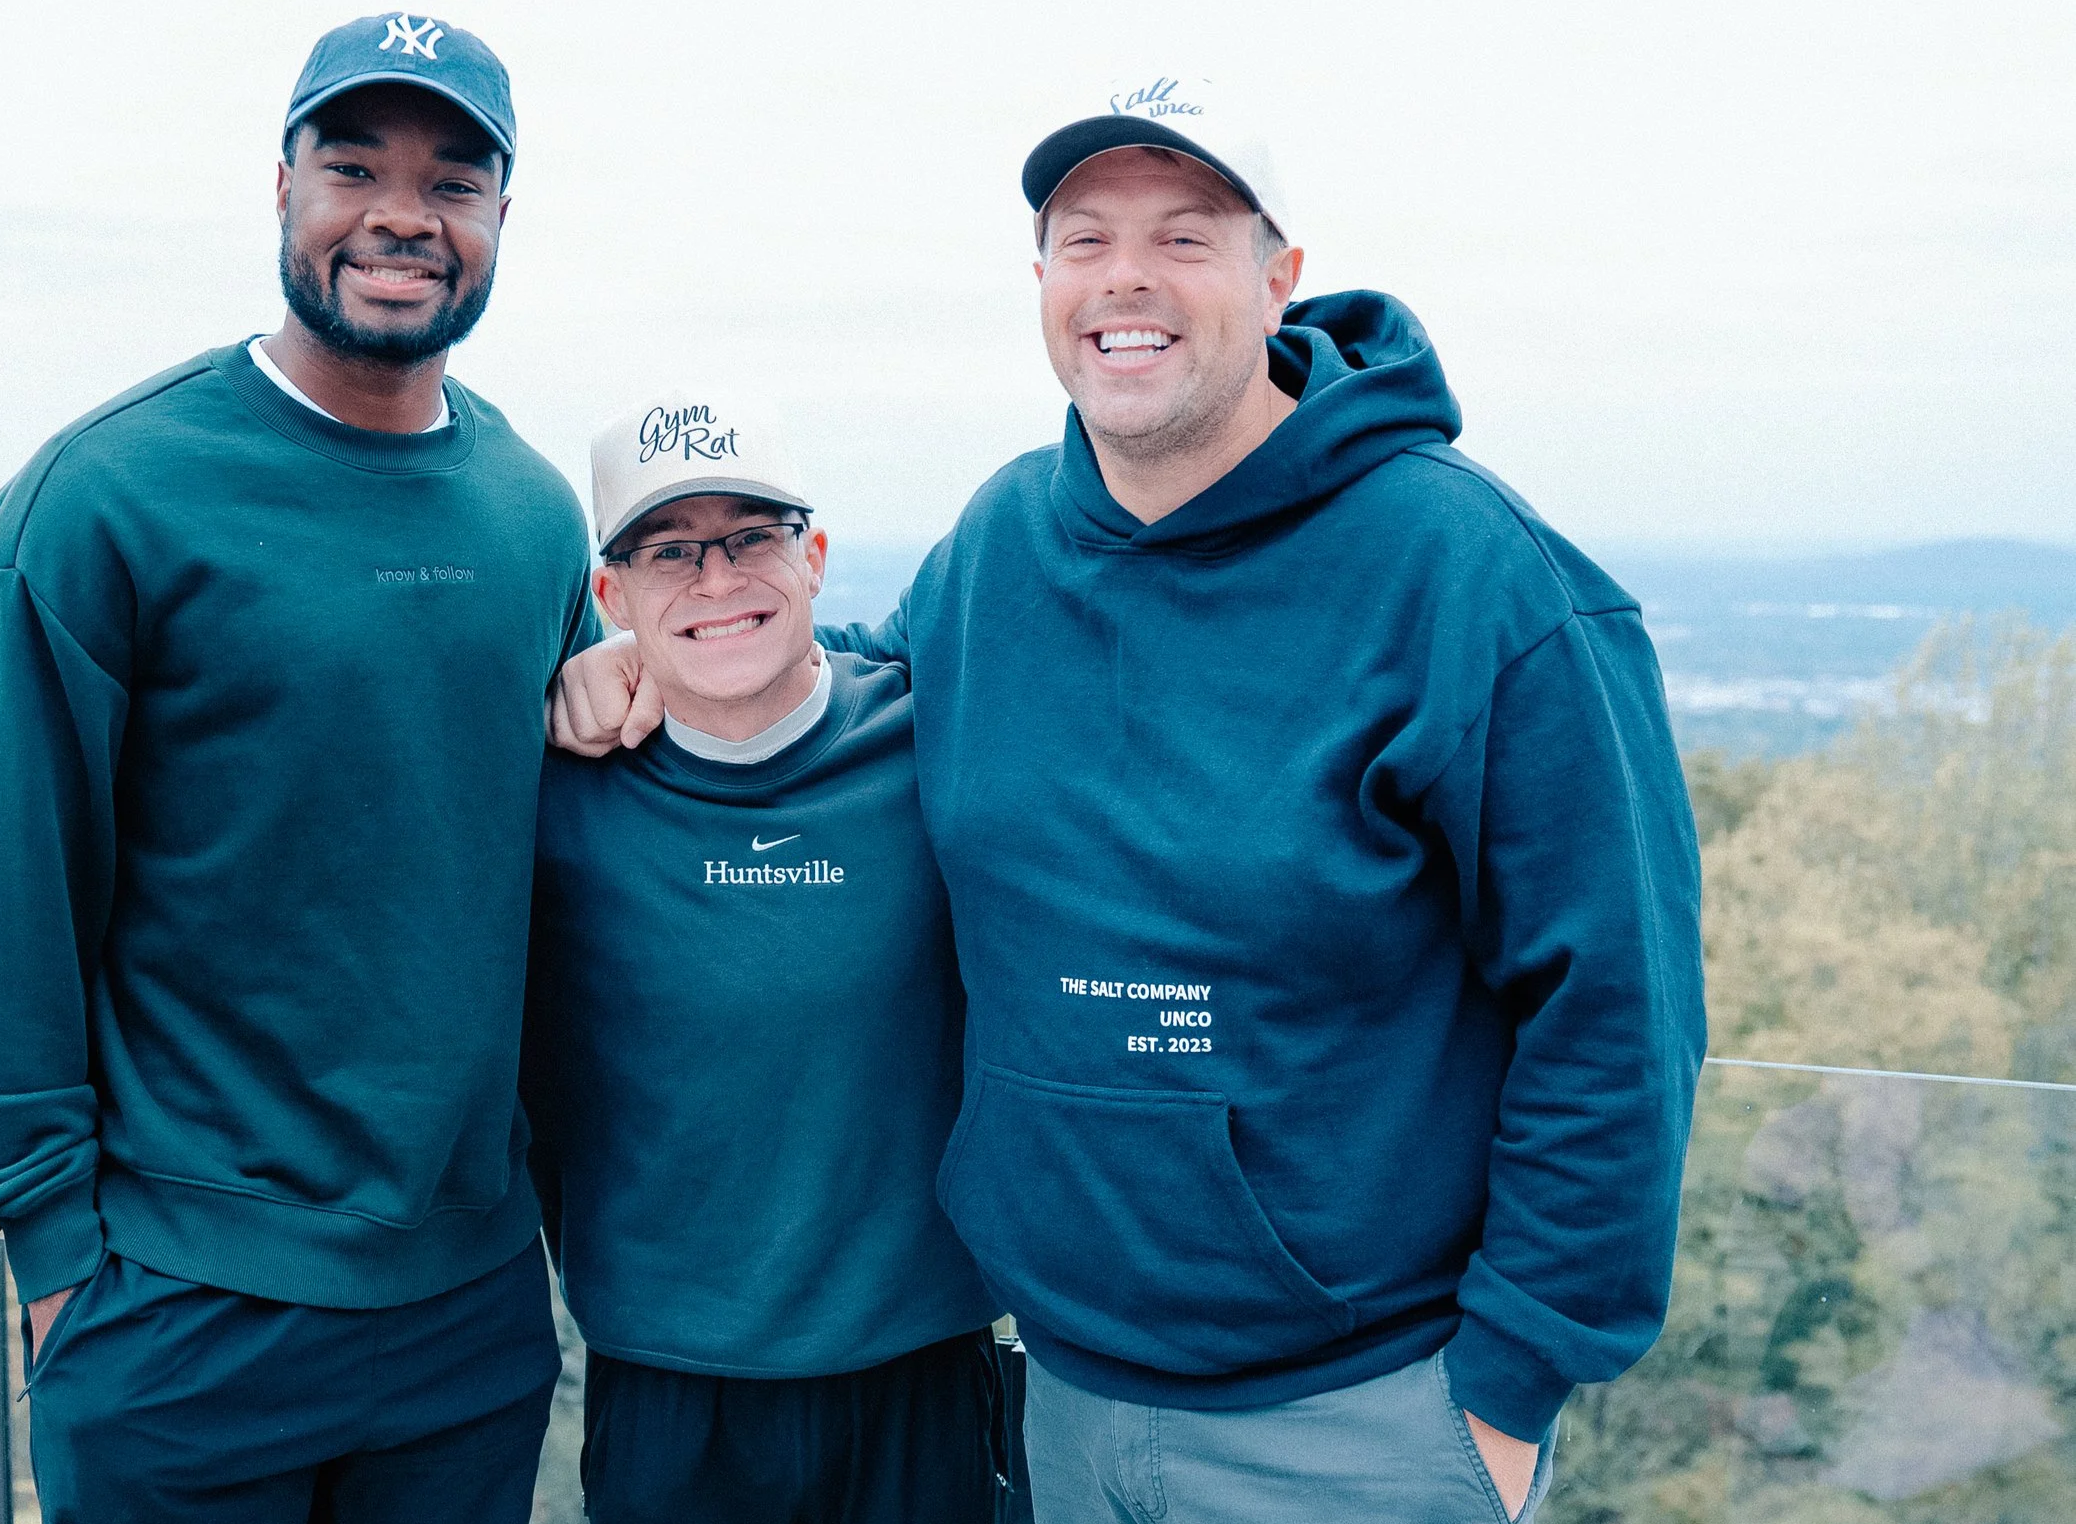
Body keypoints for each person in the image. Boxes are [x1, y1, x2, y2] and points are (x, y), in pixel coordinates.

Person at [550, 75, 1706, 1523]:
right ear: (1042, 282)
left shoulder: (1473, 578)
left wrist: (1513, 1387)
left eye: (1185, 236)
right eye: (1085, 240)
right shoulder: (999, 548)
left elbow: (1619, 1012)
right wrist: (626, 671)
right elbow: (836, 681)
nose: (1126, 281)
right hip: (1060, 1403)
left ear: (1279, 276)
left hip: (1362, 1416)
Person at [0, 12, 599, 1523]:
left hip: (469, 1308)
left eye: (454, 180)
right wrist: (55, 1273)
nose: (402, 214)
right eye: (353, 164)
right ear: (279, 189)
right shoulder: (102, 503)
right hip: (173, 1311)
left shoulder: (533, 511)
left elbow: (568, 848)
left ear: (497, 219)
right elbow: (2, 915)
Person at [523, 403, 1004, 1523]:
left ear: (815, 559)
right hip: (669, 1390)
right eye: (671, 550)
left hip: (922, 1373)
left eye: (752, 537)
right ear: (613, 600)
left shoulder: (935, 748)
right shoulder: (550, 792)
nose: (716, 577)